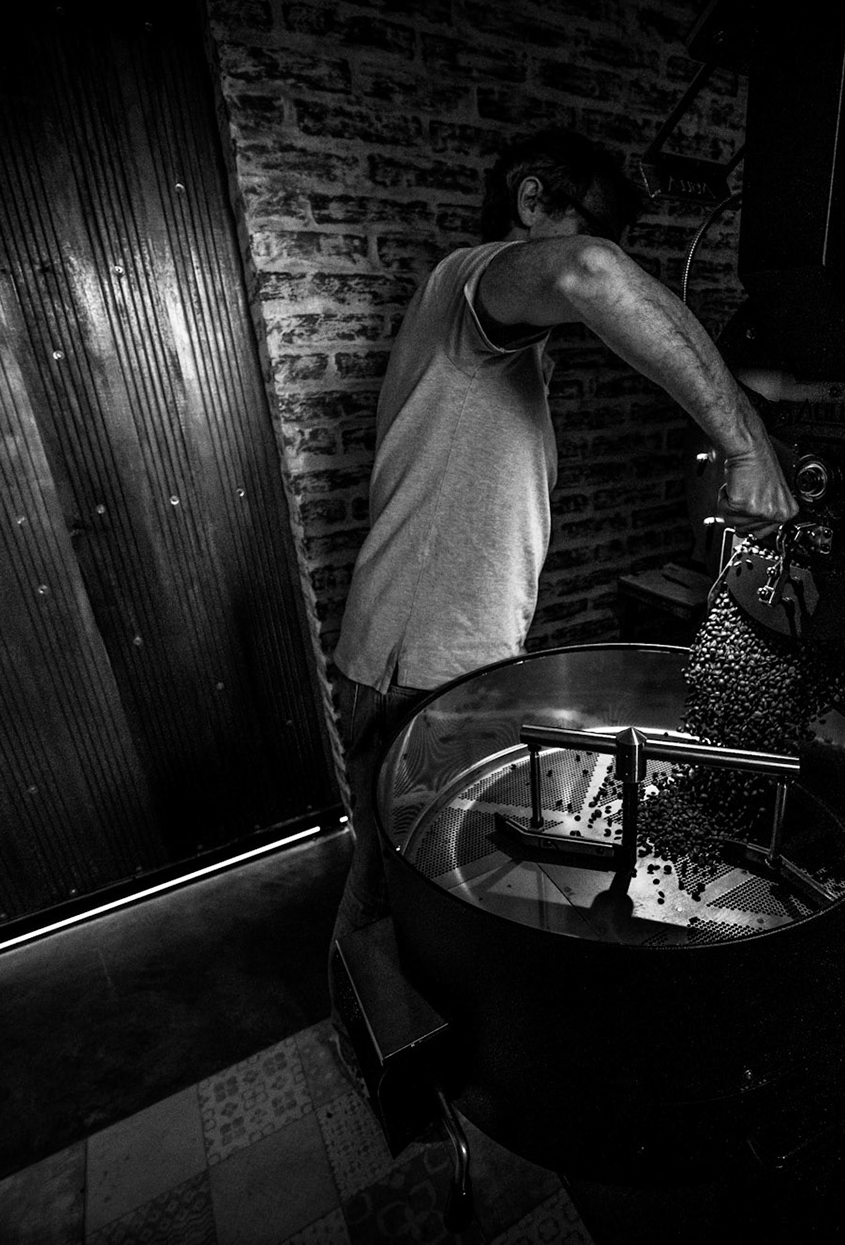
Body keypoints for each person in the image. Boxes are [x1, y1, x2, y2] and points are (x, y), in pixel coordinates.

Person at [326, 127, 797, 963]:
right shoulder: (468, 282)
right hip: (418, 673)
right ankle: (379, 1022)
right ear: (532, 200)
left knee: (410, 891)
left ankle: (380, 1009)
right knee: (420, 904)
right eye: (594, 226)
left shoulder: (498, 347)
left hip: (440, 663)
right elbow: (589, 273)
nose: (609, 254)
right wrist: (748, 447)